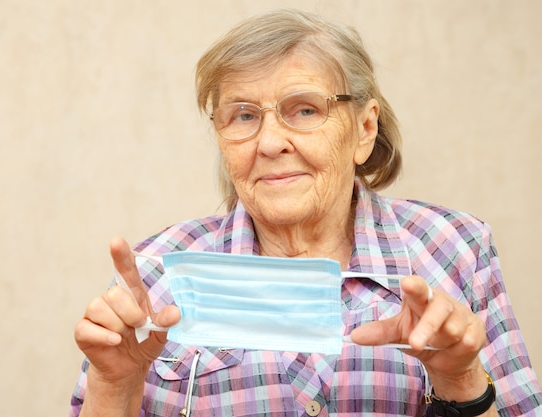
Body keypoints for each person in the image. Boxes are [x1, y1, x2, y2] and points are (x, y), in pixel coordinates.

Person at [70, 9, 541, 417]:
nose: (271, 143)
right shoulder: (155, 273)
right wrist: (114, 387)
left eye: (305, 110)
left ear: (364, 129)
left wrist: (460, 381)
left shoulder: (457, 248)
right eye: (244, 115)